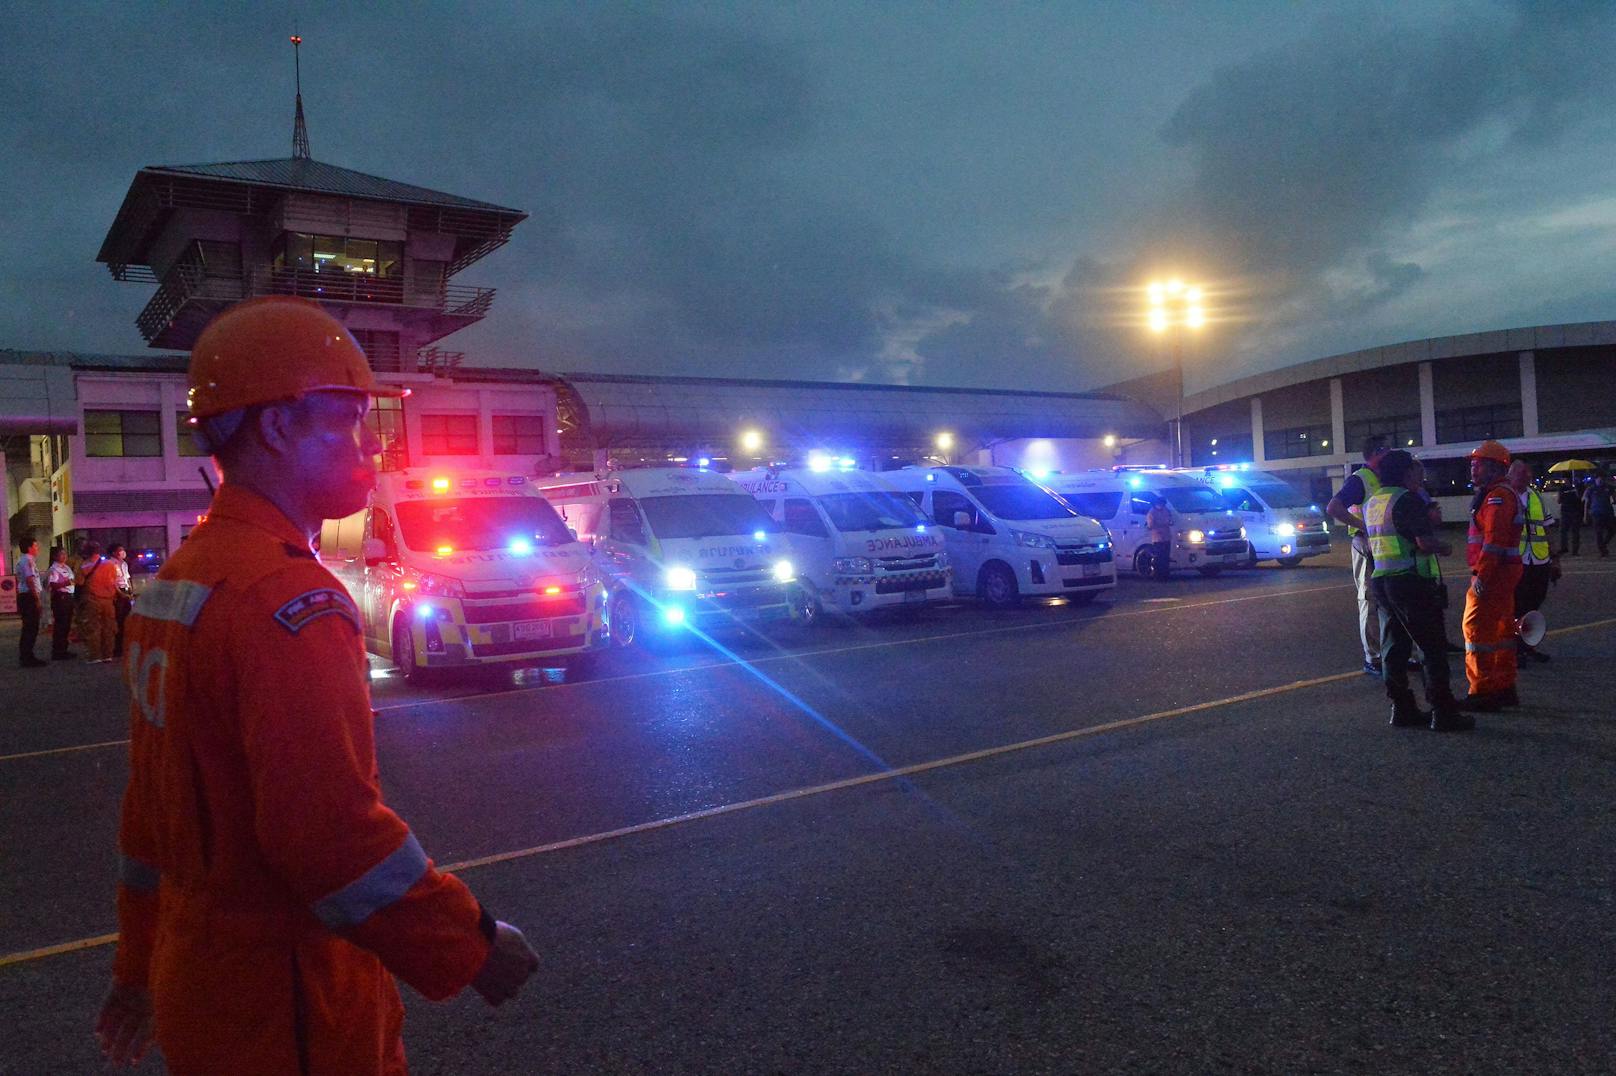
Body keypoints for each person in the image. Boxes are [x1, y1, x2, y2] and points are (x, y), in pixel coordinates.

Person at [95, 297, 539, 1074]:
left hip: (201, 988)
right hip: (288, 1008)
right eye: (349, 420)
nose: (371, 447)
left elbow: (148, 821)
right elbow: (328, 837)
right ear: (276, 427)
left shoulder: (176, 584)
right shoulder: (285, 599)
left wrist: (137, 967)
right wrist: (470, 944)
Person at [1364, 452, 1468, 731]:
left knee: (1394, 648)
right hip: (1411, 581)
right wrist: (1444, 547)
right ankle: (1443, 712)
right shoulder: (1407, 500)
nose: (1419, 474)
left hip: (1383, 581)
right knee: (1432, 647)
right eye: (1415, 469)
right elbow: (1423, 542)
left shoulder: (1373, 501)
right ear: (1405, 472)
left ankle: (1401, 708)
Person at [1460, 440, 1523, 712]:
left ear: (1496, 467)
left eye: (1480, 464)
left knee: (1476, 630)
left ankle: (1482, 691)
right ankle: (1504, 687)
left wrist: (1481, 577)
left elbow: (1493, 542)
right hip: (1504, 574)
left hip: (1493, 574)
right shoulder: (1500, 494)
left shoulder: (1497, 496)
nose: (1474, 469)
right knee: (1502, 631)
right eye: (1473, 464)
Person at [1326, 435, 1391, 675]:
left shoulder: (1382, 478)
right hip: (1365, 545)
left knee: (1387, 602)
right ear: (1376, 453)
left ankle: (1389, 653)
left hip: (1382, 546)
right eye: (1387, 451)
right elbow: (1333, 507)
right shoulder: (1360, 480)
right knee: (1369, 601)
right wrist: (1363, 526)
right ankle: (1372, 658)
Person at [1508, 460, 1556, 664]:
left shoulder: (1535, 496)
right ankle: (1515, 650)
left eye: (1528, 474)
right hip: (1517, 561)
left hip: (1538, 560)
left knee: (1535, 603)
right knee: (1516, 606)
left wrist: (1555, 559)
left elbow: (1547, 528)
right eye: (1521, 473)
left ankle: (1528, 646)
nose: (1526, 477)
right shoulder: (1505, 497)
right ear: (1510, 475)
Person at [81, 545, 123, 663]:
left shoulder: (85, 566)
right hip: (108, 600)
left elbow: (79, 582)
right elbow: (114, 581)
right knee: (108, 627)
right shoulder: (110, 564)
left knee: (93, 627)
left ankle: (95, 655)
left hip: (92, 600)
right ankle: (108, 654)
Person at [14, 534, 46, 668]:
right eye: (35, 546)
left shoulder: (22, 560)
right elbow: (30, 579)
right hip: (29, 596)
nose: (37, 548)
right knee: (31, 628)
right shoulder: (27, 560)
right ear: (29, 548)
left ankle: (27, 655)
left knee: (29, 627)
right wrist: (37, 599)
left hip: (25, 596)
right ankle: (27, 657)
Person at [46, 545, 78, 660]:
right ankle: (58, 651)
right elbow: (52, 585)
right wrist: (67, 583)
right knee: (61, 625)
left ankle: (64, 649)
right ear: (55, 556)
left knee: (66, 625)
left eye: (65, 554)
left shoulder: (66, 567)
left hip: (68, 597)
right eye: (61, 554)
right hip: (61, 598)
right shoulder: (53, 569)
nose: (64, 556)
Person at [108, 543, 135, 657]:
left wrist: (131, 590)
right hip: (118, 593)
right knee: (118, 620)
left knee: (127, 620)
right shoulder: (110, 564)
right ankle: (117, 648)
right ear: (114, 552)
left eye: (123, 550)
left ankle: (126, 645)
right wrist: (120, 593)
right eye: (120, 550)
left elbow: (127, 578)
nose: (123, 552)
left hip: (126, 591)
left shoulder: (124, 564)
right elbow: (112, 581)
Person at [1143, 494, 1174, 580]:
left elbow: (1170, 521)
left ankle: (1164, 575)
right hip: (1158, 538)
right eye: (1161, 503)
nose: (1162, 505)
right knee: (1159, 557)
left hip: (1166, 537)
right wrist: (1163, 524)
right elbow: (1150, 525)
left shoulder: (1166, 510)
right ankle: (1158, 575)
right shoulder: (1152, 512)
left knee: (1165, 557)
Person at [1589, 477, 1616, 557]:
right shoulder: (1591, 488)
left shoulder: (1608, 487)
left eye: (1601, 479)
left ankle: (1602, 546)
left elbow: (1614, 498)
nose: (1600, 480)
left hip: (1606, 512)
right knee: (1599, 532)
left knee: (1611, 530)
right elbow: (1586, 499)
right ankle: (1602, 549)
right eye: (1598, 479)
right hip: (1597, 513)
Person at [1556, 480, 1583, 556]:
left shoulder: (1563, 488)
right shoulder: (1572, 487)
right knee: (1572, 532)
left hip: (1569, 512)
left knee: (1567, 532)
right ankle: (1572, 550)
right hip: (1571, 511)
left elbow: (1558, 501)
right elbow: (1579, 498)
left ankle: (1568, 549)